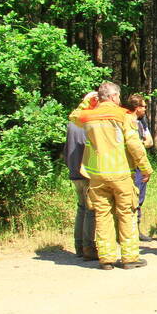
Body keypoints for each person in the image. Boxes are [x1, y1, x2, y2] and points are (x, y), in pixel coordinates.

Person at [70, 82, 153, 270]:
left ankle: (106, 258)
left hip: (98, 175)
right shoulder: (122, 115)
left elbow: (73, 116)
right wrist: (146, 167)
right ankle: (129, 258)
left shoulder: (88, 116)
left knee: (102, 215)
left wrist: (88, 102)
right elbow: (134, 144)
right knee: (126, 214)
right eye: (118, 96)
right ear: (114, 96)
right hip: (121, 173)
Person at [65, 92, 97, 259]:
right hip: (87, 172)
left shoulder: (73, 121)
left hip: (74, 171)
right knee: (91, 209)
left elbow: (67, 148)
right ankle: (88, 248)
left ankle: (79, 246)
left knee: (81, 208)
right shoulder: (88, 121)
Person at [125, 93, 154, 241]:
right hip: (129, 166)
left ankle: (136, 229)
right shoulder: (126, 121)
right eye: (144, 106)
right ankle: (128, 233)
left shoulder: (142, 122)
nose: (146, 109)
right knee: (131, 199)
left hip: (140, 166)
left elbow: (149, 142)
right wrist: (139, 144)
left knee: (140, 198)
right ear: (136, 107)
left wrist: (140, 144)